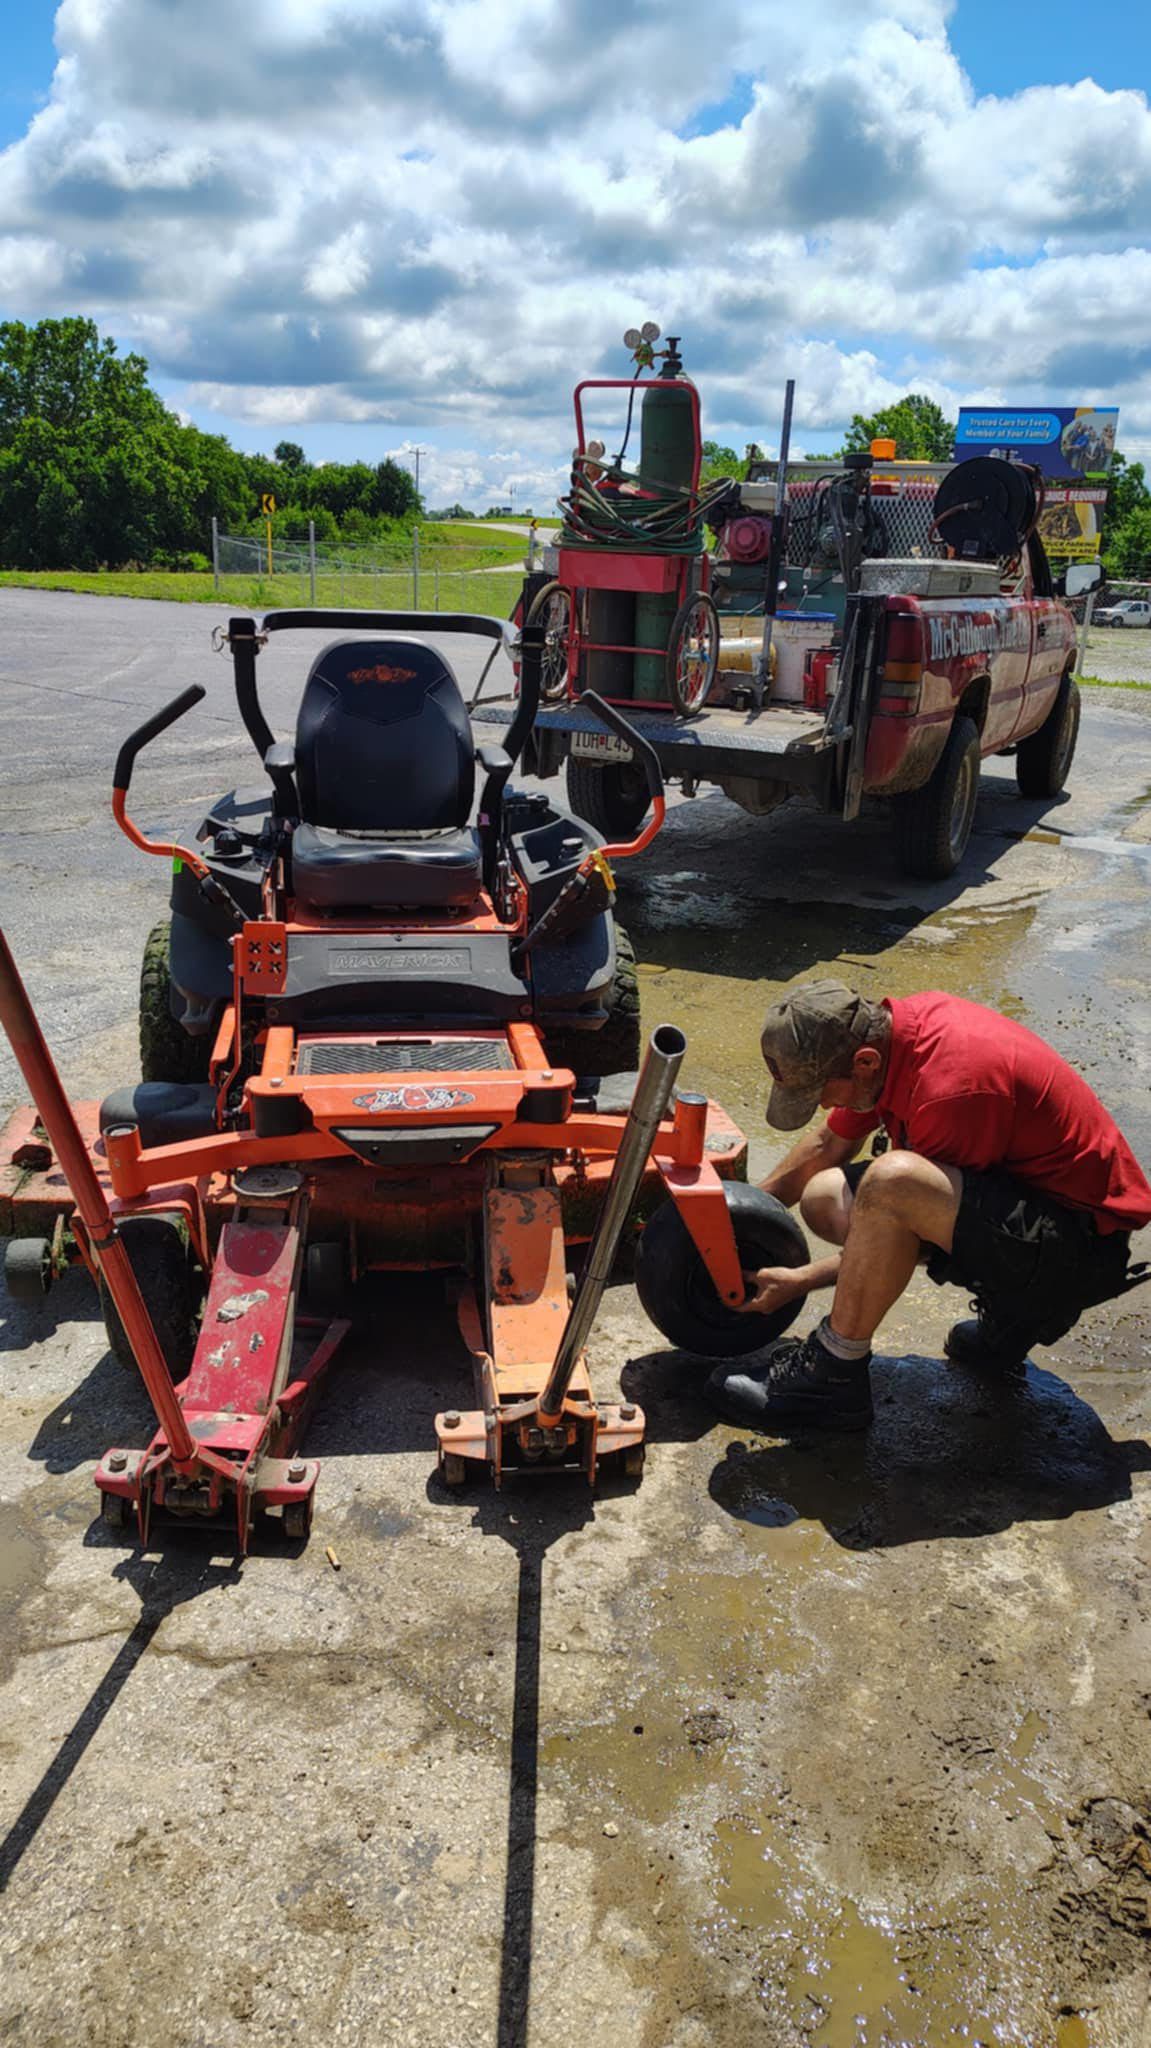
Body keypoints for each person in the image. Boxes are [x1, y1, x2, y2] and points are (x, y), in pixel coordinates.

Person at [707, 982, 1151, 1433]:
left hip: (1079, 1249)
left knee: (892, 1182)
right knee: (826, 1197)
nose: (822, 1104)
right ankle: (1010, 1326)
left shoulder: (951, 1090)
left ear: (865, 1063)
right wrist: (733, 1220)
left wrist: (801, 1280)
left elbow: (912, 1233)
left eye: (821, 1091)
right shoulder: (890, 1039)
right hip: (1031, 1209)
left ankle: (833, 1375)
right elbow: (828, 1143)